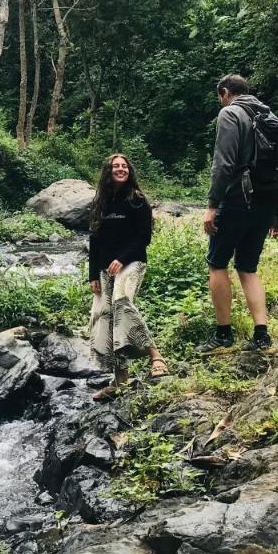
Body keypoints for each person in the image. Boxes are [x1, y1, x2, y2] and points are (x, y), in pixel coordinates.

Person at [200, 74, 278, 352]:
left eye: (220, 96)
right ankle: (262, 336)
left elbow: (223, 164)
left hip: (239, 197)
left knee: (217, 263)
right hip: (267, 201)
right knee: (248, 267)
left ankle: (223, 335)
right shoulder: (268, 115)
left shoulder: (230, 113)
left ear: (225, 92)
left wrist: (212, 206)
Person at [87, 154, 171, 401]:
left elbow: (143, 237)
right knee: (105, 315)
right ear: (108, 171)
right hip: (104, 267)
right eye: (116, 166)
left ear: (129, 171)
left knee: (122, 301)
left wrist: (122, 258)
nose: (120, 169)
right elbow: (94, 240)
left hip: (131, 262)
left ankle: (156, 356)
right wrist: (93, 274)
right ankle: (120, 381)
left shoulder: (137, 200)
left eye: (124, 166)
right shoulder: (100, 203)